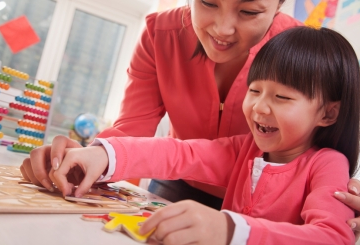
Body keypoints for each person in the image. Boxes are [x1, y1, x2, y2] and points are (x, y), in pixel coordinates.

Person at [35, 26, 360, 244]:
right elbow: (178, 154)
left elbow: (332, 237)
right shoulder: (243, 150)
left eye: (282, 98)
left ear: (328, 113)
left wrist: (230, 229)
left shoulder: (328, 165)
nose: (259, 108)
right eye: (255, 90)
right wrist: (103, 154)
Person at [20, 0, 302, 210]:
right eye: (208, 2)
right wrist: (85, 160)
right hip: (178, 180)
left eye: (249, 11)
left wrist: (337, 188)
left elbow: (321, 150)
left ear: (278, 6)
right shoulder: (160, 34)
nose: (222, 28)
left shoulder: (304, 54)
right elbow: (132, 129)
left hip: (265, 200)